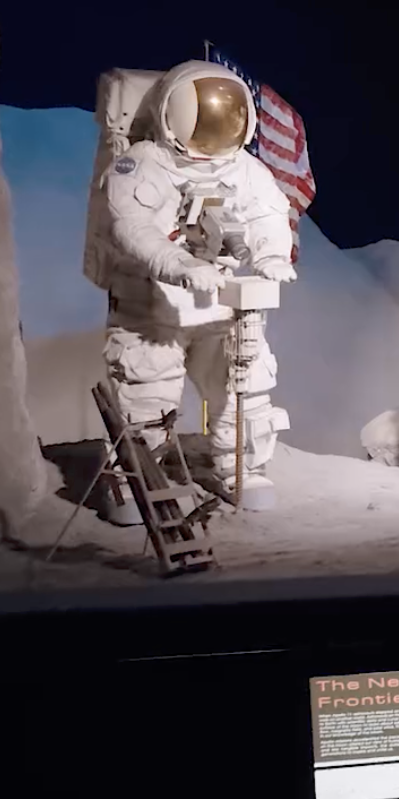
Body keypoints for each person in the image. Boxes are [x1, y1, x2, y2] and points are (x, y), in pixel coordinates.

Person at [85, 61, 296, 516]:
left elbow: (267, 216)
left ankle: (242, 467)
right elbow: (133, 228)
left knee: (242, 388)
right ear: (171, 114)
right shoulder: (140, 163)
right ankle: (136, 481)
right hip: (152, 305)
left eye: (227, 119)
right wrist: (180, 264)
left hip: (221, 303)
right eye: (201, 119)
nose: (214, 131)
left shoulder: (245, 169)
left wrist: (271, 255)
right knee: (147, 394)